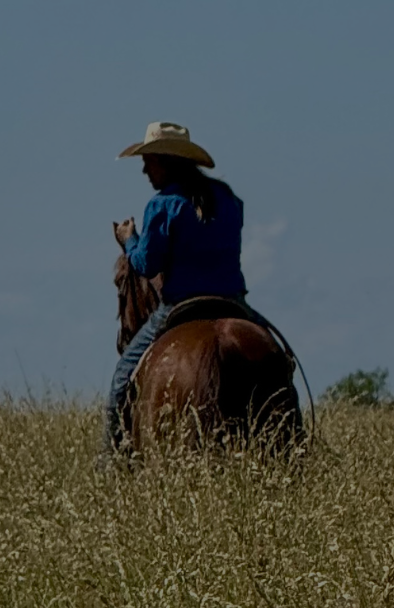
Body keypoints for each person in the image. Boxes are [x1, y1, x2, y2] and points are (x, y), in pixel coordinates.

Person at [106, 122, 277, 453]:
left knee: (120, 383)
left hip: (181, 304)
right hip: (233, 302)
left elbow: (146, 265)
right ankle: (297, 446)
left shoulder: (162, 205)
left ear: (166, 162)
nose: (144, 170)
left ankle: (111, 461)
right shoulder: (228, 198)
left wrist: (129, 241)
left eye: (149, 161)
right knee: (278, 363)